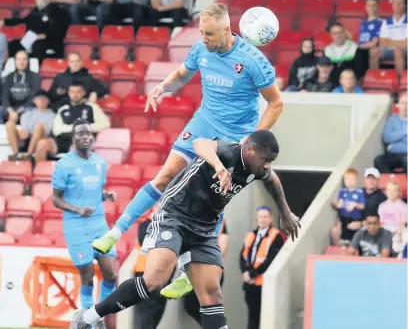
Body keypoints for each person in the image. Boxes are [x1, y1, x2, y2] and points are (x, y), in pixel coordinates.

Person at [92, 2, 283, 299]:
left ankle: (186, 273)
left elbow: (276, 103)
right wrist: (161, 87)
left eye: (209, 34)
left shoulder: (253, 61)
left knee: (214, 201)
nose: (203, 39)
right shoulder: (201, 50)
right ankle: (115, 232)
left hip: (234, 137)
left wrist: (252, 140)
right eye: (201, 33)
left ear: (227, 31)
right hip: (203, 123)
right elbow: (182, 73)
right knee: (166, 175)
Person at [69, 130, 301, 329]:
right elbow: (199, 143)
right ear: (249, 150)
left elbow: (273, 181)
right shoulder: (228, 152)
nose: (268, 165)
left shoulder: (259, 170)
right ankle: (87, 317)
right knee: (154, 281)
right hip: (175, 215)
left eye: (271, 161)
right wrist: (219, 167)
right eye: (266, 159)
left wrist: (285, 212)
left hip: (205, 228)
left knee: (212, 292)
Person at [52, 119, 117, 329]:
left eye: (88, 133)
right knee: (87, 277)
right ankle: (89, 322)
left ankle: (99, 315)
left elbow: (95, 191)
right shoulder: (64, 164)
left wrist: (105, 195)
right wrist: (77, 209)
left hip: (98, 223)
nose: (85, 137)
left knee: (111, 274)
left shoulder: (100, 162)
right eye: (80, 133)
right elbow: (56, 198)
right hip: (76, 226)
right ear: (73, 138)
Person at [239, 205, 284, 329]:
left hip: (264, 284)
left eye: (265, 217)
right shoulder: (250, 235)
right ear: (256, 219)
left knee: (263, 318)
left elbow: (270, 260)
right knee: (252, 317)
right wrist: (246, 273)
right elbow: (242, 257)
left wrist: (252, 274)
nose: (263, 219)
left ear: (271, 219)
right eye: (260, 217)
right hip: (250, 284)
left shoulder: (276, 236)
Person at [1, 0, 70, 62]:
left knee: (37, 44)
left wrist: (46, 35)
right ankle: (13, 69)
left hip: (50, 41)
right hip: (32, 39)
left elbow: (59, 29)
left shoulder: (59, 12)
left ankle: (37, 70)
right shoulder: (35, 11)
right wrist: (5, 21)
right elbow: (23, 20)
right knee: (14, 44)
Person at [184, 216, 229, 325]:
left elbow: (223, 244)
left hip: (211, 271)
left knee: (209, 306)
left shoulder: (219, 221)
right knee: (191, 306)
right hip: (194, 271)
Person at [50, 81, 110, 155]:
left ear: (83, 93)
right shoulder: (63, 109)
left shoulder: (91, 107)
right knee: (42, 144)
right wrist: (74, 128)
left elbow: (105, 123)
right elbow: (56, 129)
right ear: (68, 93)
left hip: (83, 140)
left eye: (78, 92)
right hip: (62, 141)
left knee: (76, 146)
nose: (75, 95)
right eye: (72, 92)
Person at [6, 89, 55, 161]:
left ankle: (28, 155)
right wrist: (24, 131)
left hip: (40, 139)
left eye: (44, 98)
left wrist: (32, 132)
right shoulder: (28, 112)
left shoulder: (52, 115)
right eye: (39, 99)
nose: (41, 101)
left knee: (39, 126)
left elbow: (47, 131)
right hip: (25, 138)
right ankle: (16, 154)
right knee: (9, 124)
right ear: (34, 101)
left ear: (48, 100)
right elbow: (24, 131)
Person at [2, 50, 41, 123]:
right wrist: (11, 111)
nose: (21, 62)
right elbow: (4, 97)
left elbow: (34, 97)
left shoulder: (35, 77)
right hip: (10, 108)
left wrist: (18, 111)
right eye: (18, 59)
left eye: (24, 59)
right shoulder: (8, 77)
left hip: (28, 108)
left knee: (29, 113)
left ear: (28, 61)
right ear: (15, 61)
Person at [375, 0, 407, 78]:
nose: (397, 5)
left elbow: (406, 43)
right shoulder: (386, 22)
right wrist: (400, 42)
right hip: (389, 50)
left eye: (400, 3)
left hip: (405, 50)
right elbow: (383, 43)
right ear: (392, 5)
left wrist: (391, 42)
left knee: (398, 51)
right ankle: (374, 79)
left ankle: (400, 81)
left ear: (404, 5)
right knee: (374, 51)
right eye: (395, 3)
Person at [331, 168, 366, 245]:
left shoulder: (359, 192)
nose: (349, 182)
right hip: (343, 215)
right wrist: (337, 205)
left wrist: (355, 205)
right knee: (343, 222)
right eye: (347, 179)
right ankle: (344, 239)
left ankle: (351, 240)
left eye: (352, 179)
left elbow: (362, 206)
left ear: (356, 180)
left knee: (351, 225)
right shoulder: (342, 192)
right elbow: (339, 203)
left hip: (355, 216)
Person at [374, 92, 407, 174]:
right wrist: (405, 132)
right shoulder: (392, 120)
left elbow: (391, 143)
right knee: (379, 160)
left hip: (405, 154)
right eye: (403, 103)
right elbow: (387, 138)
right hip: (393, 155)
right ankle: (390, 183)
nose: (405, 106)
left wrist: (394, 146)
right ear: (397, 105)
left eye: (407, 103)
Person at [358, 0, 382, 73]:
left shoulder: (380, 22)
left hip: (368, 49)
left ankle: (372, 78)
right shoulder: (363, 23)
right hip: (361, 49)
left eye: (374, 5)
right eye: (369, 5)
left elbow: (374, 42)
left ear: (377, 8)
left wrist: (358, 47)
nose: (371, 8)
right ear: (365, 7)